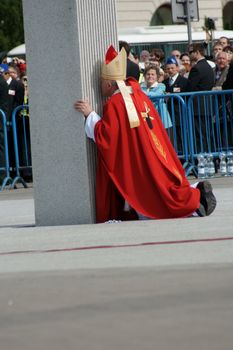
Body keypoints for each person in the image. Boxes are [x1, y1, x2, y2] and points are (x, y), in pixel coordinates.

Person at [74, 45, 216, 223]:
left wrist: (90, 114)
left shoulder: (116, 102)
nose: (100, 86)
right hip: (153, 147)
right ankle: (195, 194)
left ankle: (193, 205)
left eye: (102, 82)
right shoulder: (137, 94)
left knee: (150, 194)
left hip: (139, 155)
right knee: (160, 181)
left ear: (109, 83)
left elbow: (106, 136)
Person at [140, 64, 172, 130]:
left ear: (157, 76)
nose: (150, 76)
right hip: (146, 117)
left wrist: (141, 93)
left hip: (160, 117)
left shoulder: (161, 86)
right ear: (144, 76)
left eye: (152, 74)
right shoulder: (140, 86)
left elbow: (156, 94)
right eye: (148, 74)